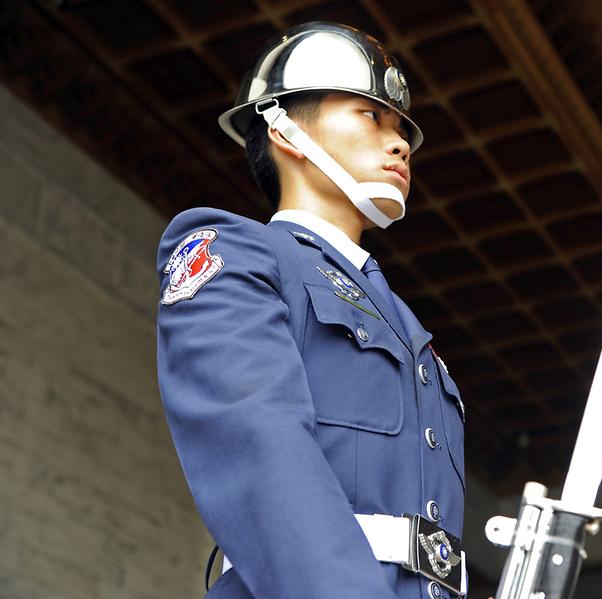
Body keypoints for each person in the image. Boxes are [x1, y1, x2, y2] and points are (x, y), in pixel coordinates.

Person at [156, 22, 466, 599]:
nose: (399, 143)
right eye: (371, 116)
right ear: (288, 133)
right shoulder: (236, 252)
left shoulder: (408, 327)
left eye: (400, 128)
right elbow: (261, 452)